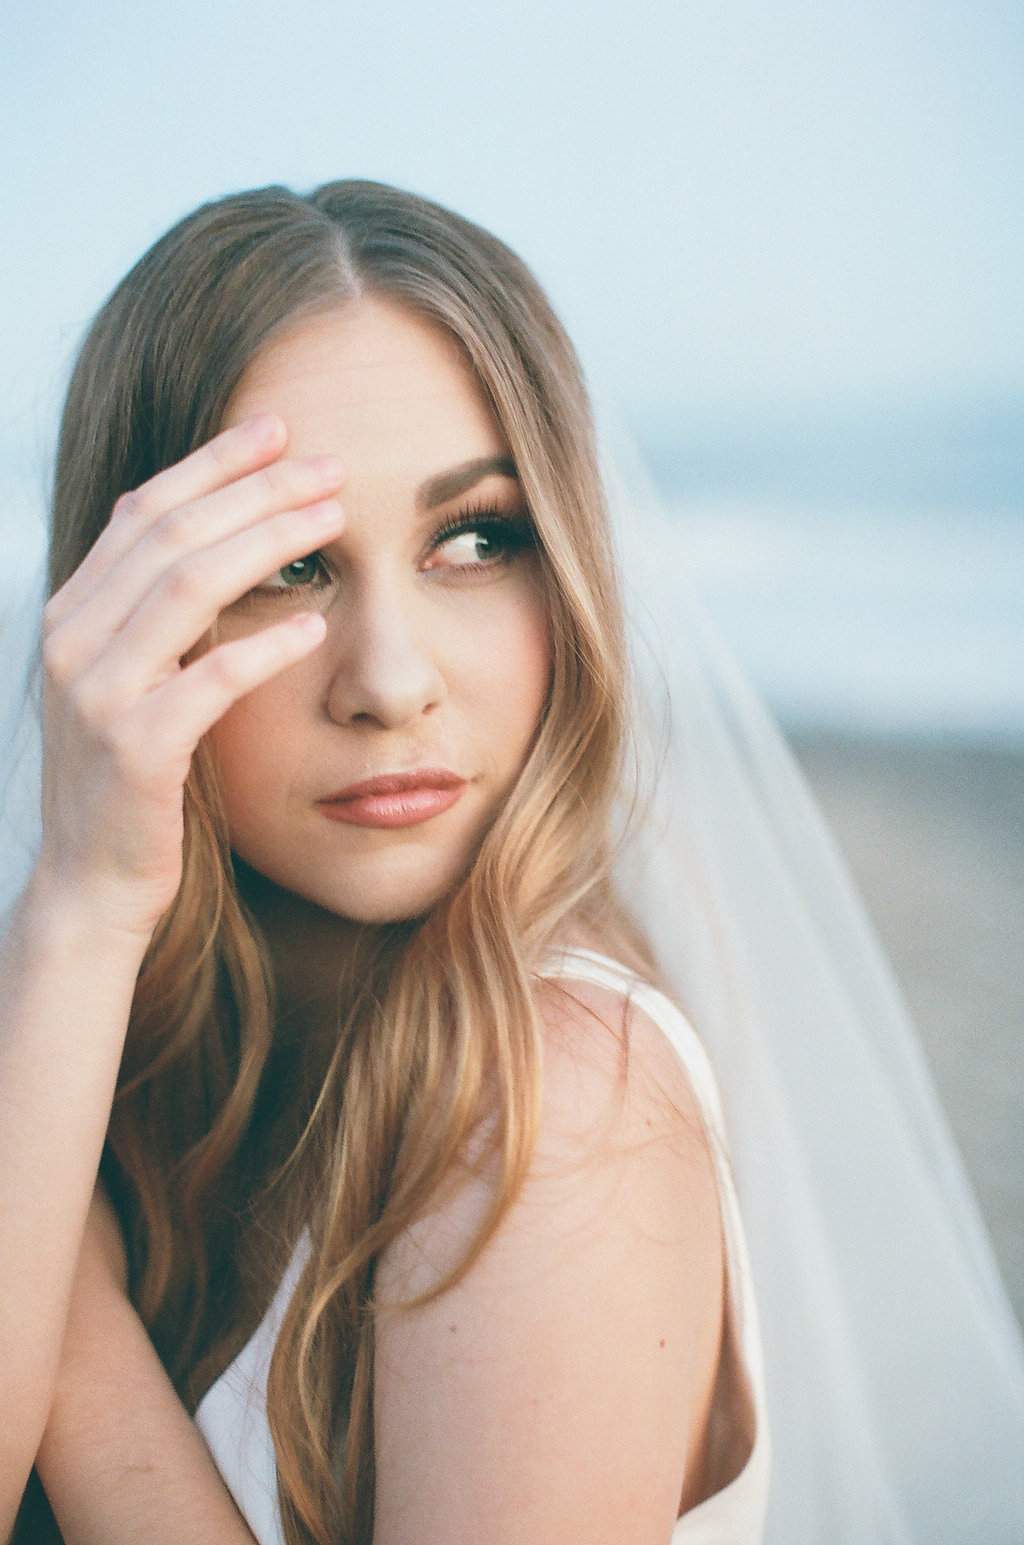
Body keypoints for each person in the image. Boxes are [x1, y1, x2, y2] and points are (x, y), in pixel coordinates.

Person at [1, 180, 1022, 1545]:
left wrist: (73, 1340)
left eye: (474, 538)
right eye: (288, 564)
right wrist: (78, 917)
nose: (390, 680)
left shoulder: (553, 1106)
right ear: (128, 608)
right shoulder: (86, 1036)